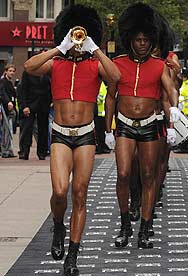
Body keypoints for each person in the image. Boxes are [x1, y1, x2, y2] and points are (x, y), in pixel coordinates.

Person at [23, 5, 120, 275]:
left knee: (79, 194)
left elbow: (116, 77)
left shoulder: (95, 63)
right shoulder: (57, 63)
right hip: (61, 135)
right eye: (74, 35)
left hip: (86, 135)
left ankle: (72, 257)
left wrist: (95, 47)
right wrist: (59, 47)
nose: (78, 40)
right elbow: (29, 66)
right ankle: (58, 225)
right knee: (60, 192)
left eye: (82, 36)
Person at [104, 3, 179, 250]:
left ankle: (145, 228)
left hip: (149, 126)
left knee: (149, 176)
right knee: (124, 174)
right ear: (130, 40)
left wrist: (175, 109)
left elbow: (170, 90)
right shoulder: (118, 63)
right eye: (138, 39)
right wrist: (107, 130)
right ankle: (125, 224)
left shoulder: (159, 65)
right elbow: (111, 97)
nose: (142, 44)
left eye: (146, 39)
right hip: (124, 125)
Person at [17, 69, 51, 160]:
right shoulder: (28, 72)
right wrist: (24, 106)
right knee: (27, 128)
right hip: (30, 104)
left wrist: (51, 101)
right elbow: (22, 89)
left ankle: (42, 152)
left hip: (44, 104)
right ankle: (24, 151)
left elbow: (51, 87)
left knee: (43, 129)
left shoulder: (47, 72)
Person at [0, 64, 17, 158]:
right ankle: (5, 151)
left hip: (10, 110)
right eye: (10, 71)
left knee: (9, 130)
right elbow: (2, 93)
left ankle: (9, 150)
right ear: (6, 71)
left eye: (13, 71)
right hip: (5, 109)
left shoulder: (10, 82)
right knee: (6, 129)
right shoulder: (3, 82)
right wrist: (8, 102)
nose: (12, 73)